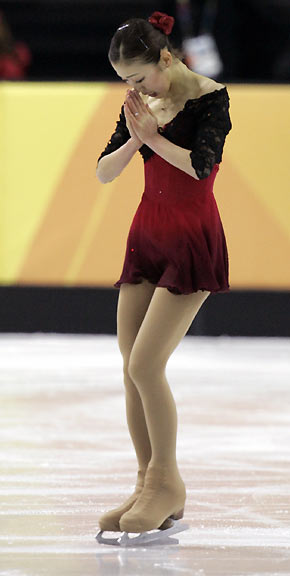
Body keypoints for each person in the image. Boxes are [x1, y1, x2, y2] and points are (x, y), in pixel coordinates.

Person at [96, 10, 232, 536]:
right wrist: (134, 138)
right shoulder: (141, 103)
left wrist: (152, 137)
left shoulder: (208, 96)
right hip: (145, 237)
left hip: (191, 241)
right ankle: (144, 484)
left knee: (147, 366)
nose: (133, 89)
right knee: (131, 368)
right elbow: (105, 172)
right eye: (125, 82)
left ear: (165, 58)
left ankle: (167, 482)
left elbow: (201, 167)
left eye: (138, 77)